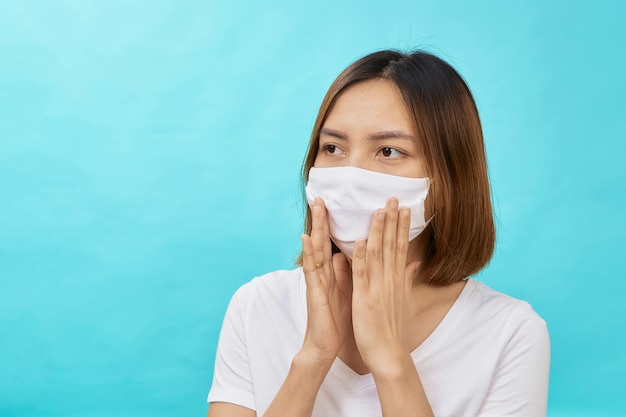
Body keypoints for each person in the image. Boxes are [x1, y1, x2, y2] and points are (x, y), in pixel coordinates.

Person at [206, 49, 550, 417]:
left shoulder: (510, 333)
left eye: (388, 150)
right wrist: (312, 358)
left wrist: (391, 362)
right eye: (333, 147)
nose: (350, 176)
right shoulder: (257, 305)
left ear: (450, 177)